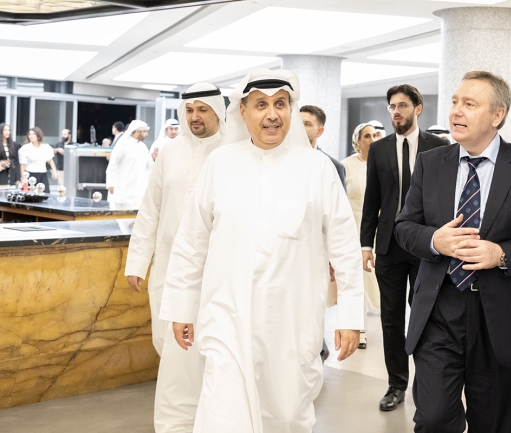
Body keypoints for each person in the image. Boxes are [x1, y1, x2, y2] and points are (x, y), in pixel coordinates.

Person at [160, 69, 364, 433]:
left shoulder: (317, 168)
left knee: (285, 417)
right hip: (226, 316)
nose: (272, 114)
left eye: (280, 104)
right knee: (223, 414)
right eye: (261, 105)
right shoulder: (220, 164)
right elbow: (192, 241)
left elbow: (345, 247)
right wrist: (181, 307)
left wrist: (349, 317)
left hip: (290, 322)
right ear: (242, 112)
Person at [394, 71, 511, 432]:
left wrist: (501, 254)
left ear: (497, 115)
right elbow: (404, 227)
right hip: (439, 310)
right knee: (432, 418)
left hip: (503, 316)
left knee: (491, 424)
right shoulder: (431, 163)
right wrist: (435, 240)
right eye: (455, 102)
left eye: (469, 104)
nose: (456, 111)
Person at [125, 83, 225, 433]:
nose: (195, 117)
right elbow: (150, 208)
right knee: (165, 339)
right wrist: (138, 261)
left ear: (218, 111)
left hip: (213, 269)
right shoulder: (170, 151)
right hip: (167, 266)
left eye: (202, 110)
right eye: (189, 110)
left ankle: (196, 416)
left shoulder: (232, 151)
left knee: (202, 344)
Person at [360, 84, 447, 411]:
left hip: (425, 244)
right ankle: (396, 385)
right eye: (392, 107)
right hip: (389, 246)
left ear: (417, 109)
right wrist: (365, 244)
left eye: (402, 106)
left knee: (426, 317)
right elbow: (372, 199)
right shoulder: (379, 149)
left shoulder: (438, 146)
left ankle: (428, 385)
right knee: (391, 319)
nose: (396, 112)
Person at [299, 104, 346, 361]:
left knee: (316, 303)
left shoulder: (333, 166)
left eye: (307, 124)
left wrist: (332, 259)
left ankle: (317, 349)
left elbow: (338, 218)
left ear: (320, 130)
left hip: (317, 248)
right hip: (291, 249)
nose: (301, 128)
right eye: (298, 122)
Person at [341, 123, 381, 350]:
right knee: (358, 279)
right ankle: (360, 329)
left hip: (377, 231)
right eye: (367, 136)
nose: (372, 139)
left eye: (375, 135)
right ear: (358, 141)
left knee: (375, 278)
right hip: (353, 230)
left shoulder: (383, 165)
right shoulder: (346, 166)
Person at [105, 120, 149, 208]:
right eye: (144, 131)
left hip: (137, 194)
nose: (147, 134)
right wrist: (110, 184)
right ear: (137, 131)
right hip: (121, 193)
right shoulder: (122, 145)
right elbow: (112, 165)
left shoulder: (143, 147)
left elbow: (148, 167)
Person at [19, 127, 57, 192]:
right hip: (30, 175)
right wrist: (23, 179)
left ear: (38, 136)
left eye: (33, 134)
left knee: (45, 194)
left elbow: (50, 160)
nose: (31, 136)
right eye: (29, 134)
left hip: (43, 174)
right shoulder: (25, 148)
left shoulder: (45, 147)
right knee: (32, 195)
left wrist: (54, 172)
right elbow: (22, 164)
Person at [0, 123, 20, 188]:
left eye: (9, 130)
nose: (7, 132)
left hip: (12, 176)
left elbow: (16, 161)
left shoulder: (14, 145)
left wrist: (18, 177)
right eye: (5, 130)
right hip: (1, 174)